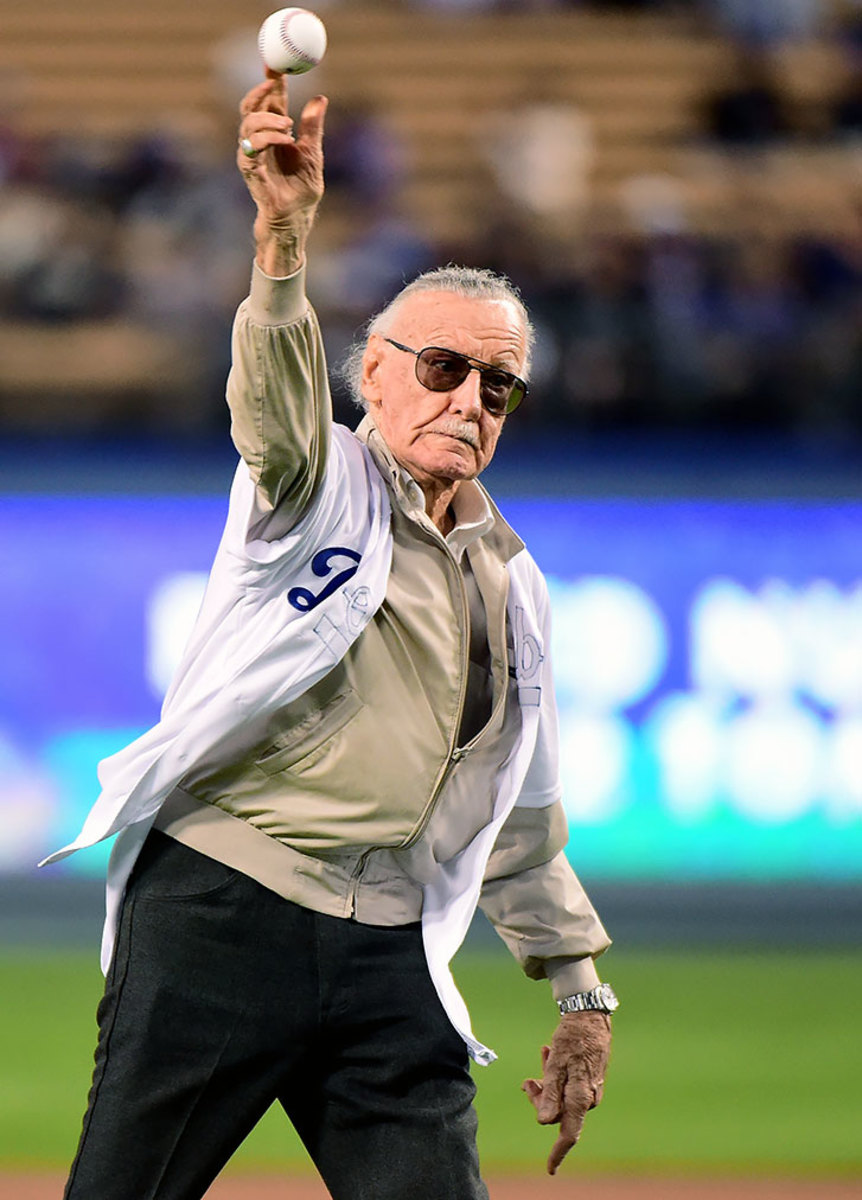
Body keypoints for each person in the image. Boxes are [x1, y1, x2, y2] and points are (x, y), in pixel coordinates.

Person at [49, 72, 616, 1200]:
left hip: (388, 953)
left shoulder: (514, 585)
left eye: (497, 387)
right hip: (222, 914)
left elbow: (523, 815)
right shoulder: (316, 486)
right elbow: (269, 405)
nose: (469, 401)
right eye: (445, 368)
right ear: (375, 372)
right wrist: (283, 242)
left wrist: (578, 991)